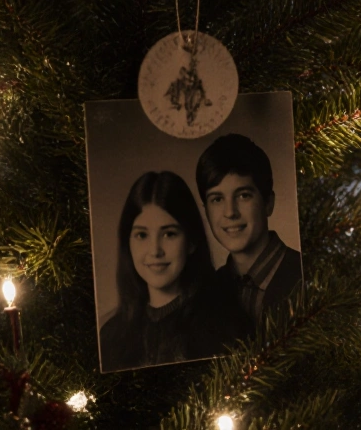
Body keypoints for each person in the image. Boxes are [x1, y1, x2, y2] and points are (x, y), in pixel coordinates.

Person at [99, 171, 249, 372]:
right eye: (142, 235)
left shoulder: (226, 328)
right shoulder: (111, 336)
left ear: (192, 242)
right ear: (128, 243)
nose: (155, 251)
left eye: (169, 234)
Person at [196, 133, 302, 324]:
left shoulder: (305, 274)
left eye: (243, 195)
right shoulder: (208, 292)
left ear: (268, 203)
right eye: (217, 199)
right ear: (206, 210)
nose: (230, 212)